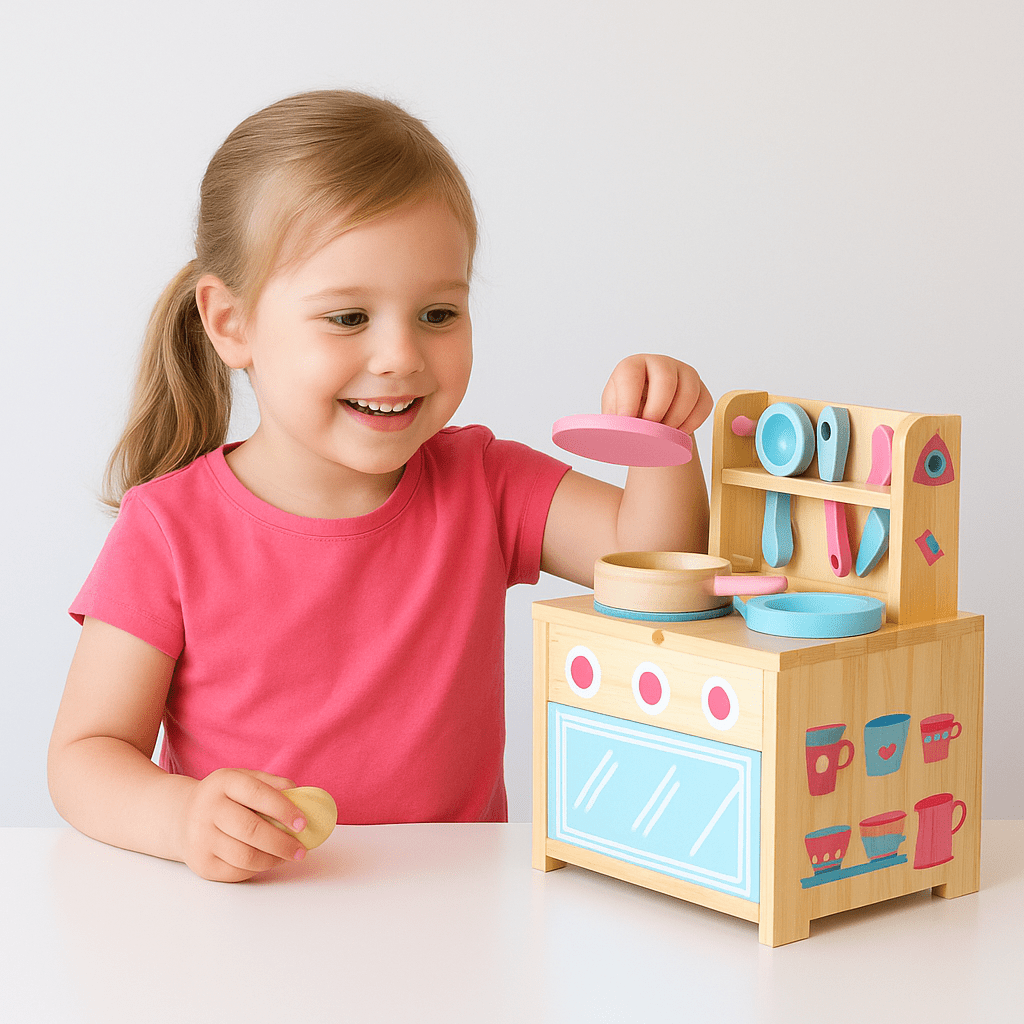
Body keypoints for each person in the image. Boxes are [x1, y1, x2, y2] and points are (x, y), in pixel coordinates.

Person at [48, 90, 712, 883]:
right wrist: (184, 818)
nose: (400, 355)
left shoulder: (485, 483)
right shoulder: (169, 527)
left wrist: (662, 441)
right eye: (348, 318)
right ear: (231, 324)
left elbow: (656, 568)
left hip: (454, 913)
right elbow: (86, 757)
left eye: (437, 313)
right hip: (256, 919)